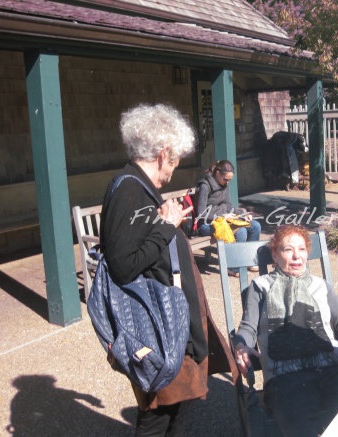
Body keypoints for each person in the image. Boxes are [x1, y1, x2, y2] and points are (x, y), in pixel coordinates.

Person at [100, 103, 237, 436]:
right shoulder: (130, 191)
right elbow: (123, 266)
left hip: (165, 328)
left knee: (172, 409)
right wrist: (167, 225)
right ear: (163, 154)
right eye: (175, 159)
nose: (174, 168)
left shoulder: (136, 187)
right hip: (157, 331)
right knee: (158, 414)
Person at [233, 224, 338, 436]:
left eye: (301, 249)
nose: (296, 256)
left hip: (332, 368)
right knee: (303, 428)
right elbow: (248, 327)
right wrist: (241, 345)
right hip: (286, 376)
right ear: (275, 254)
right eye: (287, 249)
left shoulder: (320, 286)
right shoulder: (260, 287)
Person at [195, 159, 262, 275]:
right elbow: (200, 213)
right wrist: (222, 216)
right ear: (217, 174)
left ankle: (250, 261)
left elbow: (229, 206)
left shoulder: (224, 184)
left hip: (225, 220)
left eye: (229, 180)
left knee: (255, 226)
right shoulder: (205, 186)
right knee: (240, 231)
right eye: (226, 179)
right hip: (207, 224)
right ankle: (233, 267)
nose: (227, 182)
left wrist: (243, 215)